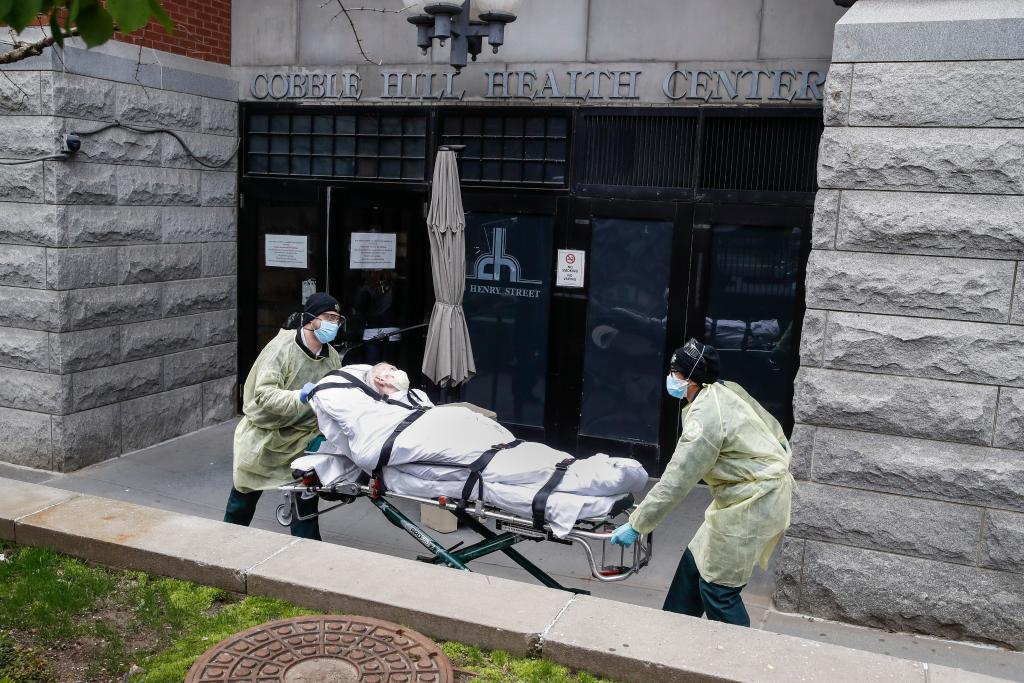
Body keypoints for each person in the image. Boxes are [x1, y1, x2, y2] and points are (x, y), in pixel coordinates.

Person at [609, 338, 794, 627]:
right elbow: (772, 426)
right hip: (742, 497)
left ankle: (743, 662)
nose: (671, 378)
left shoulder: (705, 419)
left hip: (755, 503)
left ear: (691, 379)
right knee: (694, 566)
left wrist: (637, 524)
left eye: (676, 373)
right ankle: (669, 639)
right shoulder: (724, 391)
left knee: (719, 588)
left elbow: (676, 481)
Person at [223, 292, 344, 540]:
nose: (334, 323)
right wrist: (299, 396)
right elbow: (264, 395)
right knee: (244, 495)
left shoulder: (330, 356)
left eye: (337, 319)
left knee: (306, 497)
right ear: (310, 319)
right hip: (265, 436)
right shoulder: (281, 349)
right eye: (328, 317)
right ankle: (226, 542)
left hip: (302, 436)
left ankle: (306, 552)